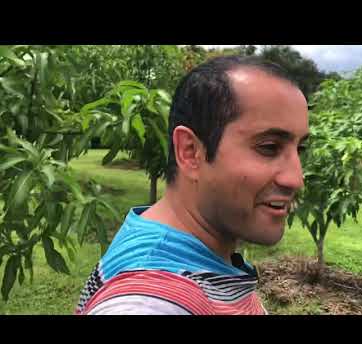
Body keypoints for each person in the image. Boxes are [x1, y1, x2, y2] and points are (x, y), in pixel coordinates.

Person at [76, 55, 309, 315]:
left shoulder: (201, 252)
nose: (296, 179)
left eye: (300, 148)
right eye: (269, 147)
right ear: (190, 152)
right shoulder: (147, 303)